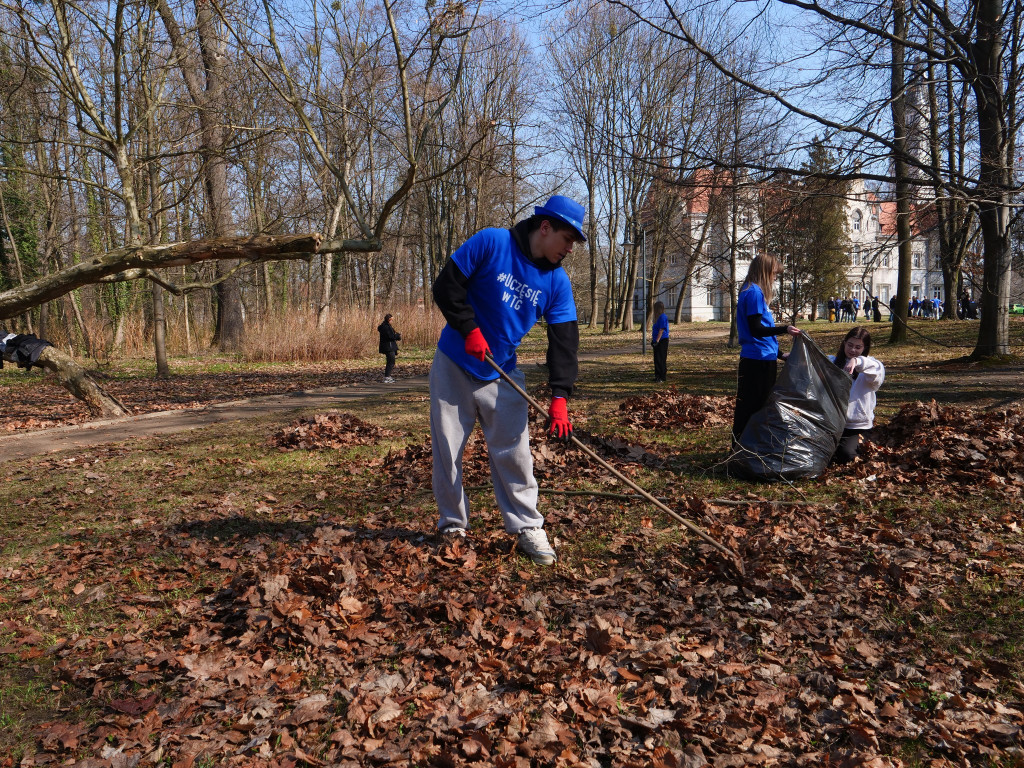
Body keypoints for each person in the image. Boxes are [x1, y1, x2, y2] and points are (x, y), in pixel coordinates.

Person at [429, 195, 585, 566]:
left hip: (502, 371)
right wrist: (468, 328)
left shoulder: (557, 283)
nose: (569, 249)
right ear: (544, 228)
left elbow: (565, 342)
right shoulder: (492, 242)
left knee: (515, 452)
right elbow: (446, 286)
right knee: (448, 450)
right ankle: (452, 525)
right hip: (454, 361)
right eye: (566, 239)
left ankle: (527, 526)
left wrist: (560, 396)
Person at [732, 254, 801, 442]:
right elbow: (756, 329)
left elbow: (758, 332)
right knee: (755, 407)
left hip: (760, 357)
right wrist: (785, 329)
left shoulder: (749, 290)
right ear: (765, 272)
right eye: (773, 273)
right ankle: (745, 450)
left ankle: (745, 448)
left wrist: (779, 354)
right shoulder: (754, 292)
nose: (775, 278)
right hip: (758, 361)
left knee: (752, 405)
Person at [829, 327, 885, 463]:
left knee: (847, 455)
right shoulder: (833, 362)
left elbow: (876, 369)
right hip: (833, 424)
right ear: (844, 343)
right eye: (850, 345)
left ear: (864, 348)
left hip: (857, 426)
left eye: (858, 347)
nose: (852, 350)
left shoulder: (871, 367)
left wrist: (857, 361)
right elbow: (814, 361)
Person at [377, 313, 401, 383]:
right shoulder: (386, 327)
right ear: (389, 320)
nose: (392, 321)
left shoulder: (385, 326)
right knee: (391, 362)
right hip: (389, 347)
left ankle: (388, 376)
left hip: (388, 346)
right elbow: (390, 336)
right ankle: (387, 377)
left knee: (390, 362)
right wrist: (397, 336)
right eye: (392, 320)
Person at [651, 301, 669, 382]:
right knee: (657, 359)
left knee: (660, 359)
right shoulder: (658, 318)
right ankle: (657, 376)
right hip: (657, 340)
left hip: (662, 341)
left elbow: (661, 330)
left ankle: (661, 377)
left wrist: (657, 341)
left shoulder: (662, 317)